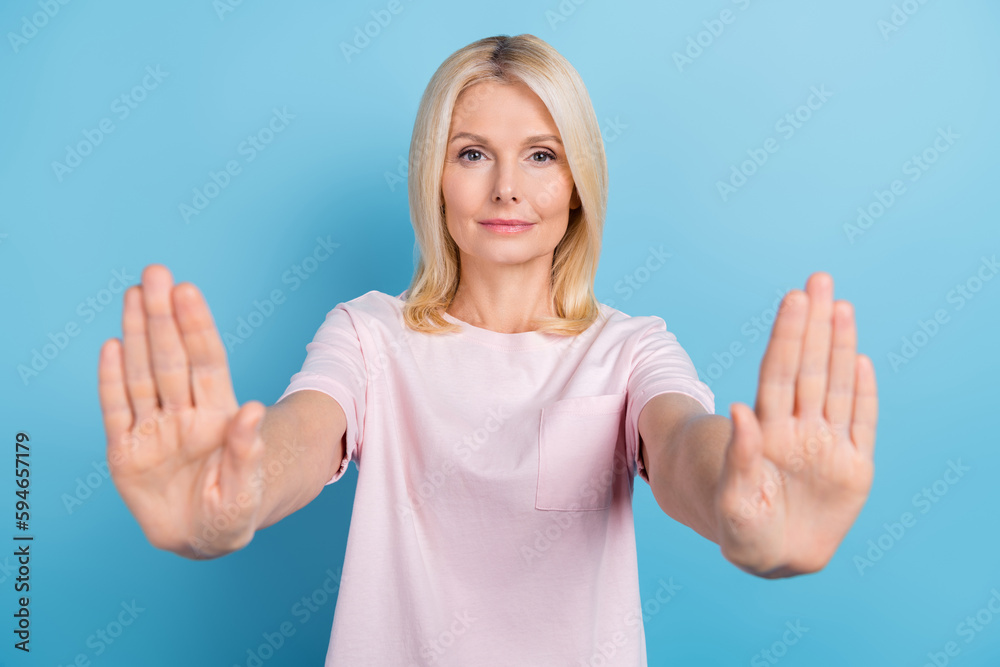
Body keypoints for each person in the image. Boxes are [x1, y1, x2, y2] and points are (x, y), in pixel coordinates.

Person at [97, 33, 878, 666]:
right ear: (434, 176)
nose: (507, 187)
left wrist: (744, 511)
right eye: (472, 153)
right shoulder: (370, 335)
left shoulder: (631, 349)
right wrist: (233, 496)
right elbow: (302, 432)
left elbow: (680, 446)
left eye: (541, 155)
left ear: (578, 183)